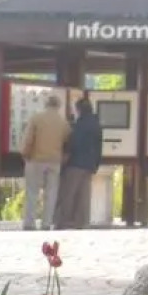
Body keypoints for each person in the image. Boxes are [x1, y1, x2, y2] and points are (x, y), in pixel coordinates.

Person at [20, 94, 70, 231]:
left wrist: (24, 153)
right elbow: (67, 142)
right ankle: (46, 223)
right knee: (51, 193)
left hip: (36, 159)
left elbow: (29, 139)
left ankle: (29, 223)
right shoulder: (63, 123)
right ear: (58, 106)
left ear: (46, 104)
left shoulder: (36, 118)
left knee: (32, 192)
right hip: (54, 160)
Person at [57, 96, 103, 229]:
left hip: (75, 163)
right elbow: (99, 146)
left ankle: (64, 221)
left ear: (79, 110)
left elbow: (73, 144)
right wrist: (96, 164)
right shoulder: (96, 125)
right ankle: (82, 222)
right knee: (84, 196)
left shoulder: (80, 125)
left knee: (69, 194)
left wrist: (65, 159)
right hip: (89, 164)